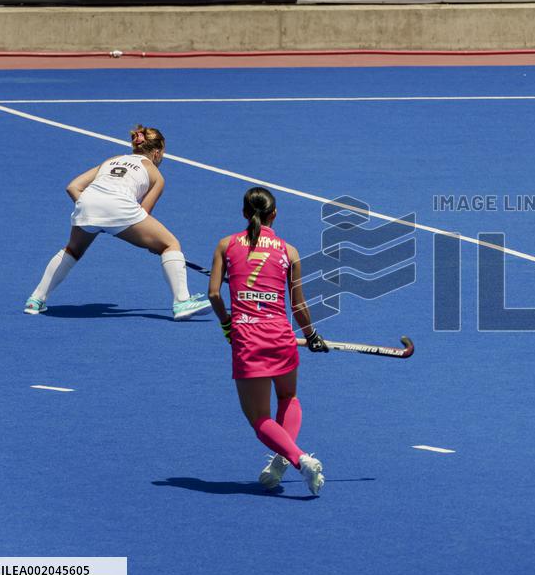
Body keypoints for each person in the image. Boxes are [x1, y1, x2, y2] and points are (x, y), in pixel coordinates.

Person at [207, 187, 330, 496]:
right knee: (288, 397)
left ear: (244, 213)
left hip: (248, 340)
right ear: (275, 215)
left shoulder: (226, 245)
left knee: (259, 419)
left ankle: (301, 460)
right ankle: (282, 460)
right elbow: (298, 306)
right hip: (281, 335)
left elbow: (213, 294)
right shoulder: (289, 251)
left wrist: (227, 327)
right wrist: (312, 335)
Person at [23, 125, 212, 318]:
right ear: (156, 152)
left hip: (87, 203)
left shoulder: (112, 160)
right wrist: (147, 241)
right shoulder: (156, 174)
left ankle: (36, 299)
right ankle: (182, 302)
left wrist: (98, 217)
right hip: (119, 209)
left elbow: (73, 187)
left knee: (72, 250)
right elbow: (143, 213)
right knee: (170, 244)